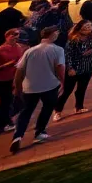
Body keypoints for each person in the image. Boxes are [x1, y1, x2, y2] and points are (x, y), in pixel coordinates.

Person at [10, 26, 65, 154]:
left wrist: (17, 87)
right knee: (47, 108)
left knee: (26, 111)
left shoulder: (30, 51)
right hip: (49, 85)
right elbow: (60, 68)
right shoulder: (57, 49)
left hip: (29, 87)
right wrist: (63, 82)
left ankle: (18, 135)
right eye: (56, 33)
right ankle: (39, 132)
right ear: (52, 35)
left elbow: (19, 71)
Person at [53, 20, 92, 119]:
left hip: (88, 67)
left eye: (90, 26)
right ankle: (58, 110)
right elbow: (68, 55)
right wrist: (70, 68)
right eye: (87, 26)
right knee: (67, 90)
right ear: (80, 28)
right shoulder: (73, 39)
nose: (89, 28)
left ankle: (79, 107)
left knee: (82, 89)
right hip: (75, 68)